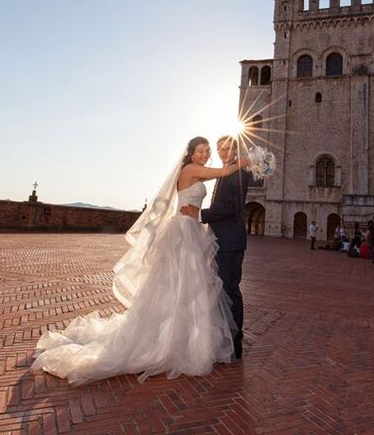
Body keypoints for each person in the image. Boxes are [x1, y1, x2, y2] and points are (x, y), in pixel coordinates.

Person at [31, 136, 246, 386]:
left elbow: (220, 175)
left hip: (193, 231)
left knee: (190, 287)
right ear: (189, 153)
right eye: (201, 150)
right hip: (185, 232)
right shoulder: (190, 170)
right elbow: (223, 170)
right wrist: (246, 161)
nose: (205, 153)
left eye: (207, 150)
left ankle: (187, 338)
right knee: (182, 285)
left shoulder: (199, 171)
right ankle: (176, 342)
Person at [185, 135, 253, 360]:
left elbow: (232, 206)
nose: (224, 152)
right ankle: (226, 338)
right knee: (222, 289)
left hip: (231, 241)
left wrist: (201, 214)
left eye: (227, 149)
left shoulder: (240, 173)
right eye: (219, 149)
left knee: (230, 290)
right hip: (220, 240)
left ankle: (235, 342)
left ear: (235, 150)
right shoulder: (227, 171)